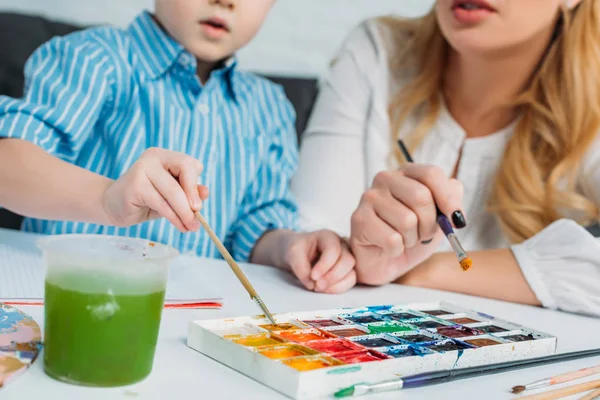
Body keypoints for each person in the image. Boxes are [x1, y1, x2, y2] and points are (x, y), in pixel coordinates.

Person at [0, 0, 356, 294]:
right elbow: (9, 165)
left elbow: (253, 225)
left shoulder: (269, 107)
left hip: (192, 324)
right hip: (66, 301)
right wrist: (108, 198)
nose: (226, 2)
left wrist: (288, 247)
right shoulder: (92, 59)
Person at [292, 0, 600, 314]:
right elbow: (306, 235)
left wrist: (410, 271)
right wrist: (338, 258)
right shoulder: (378, 52)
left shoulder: (593, 106)